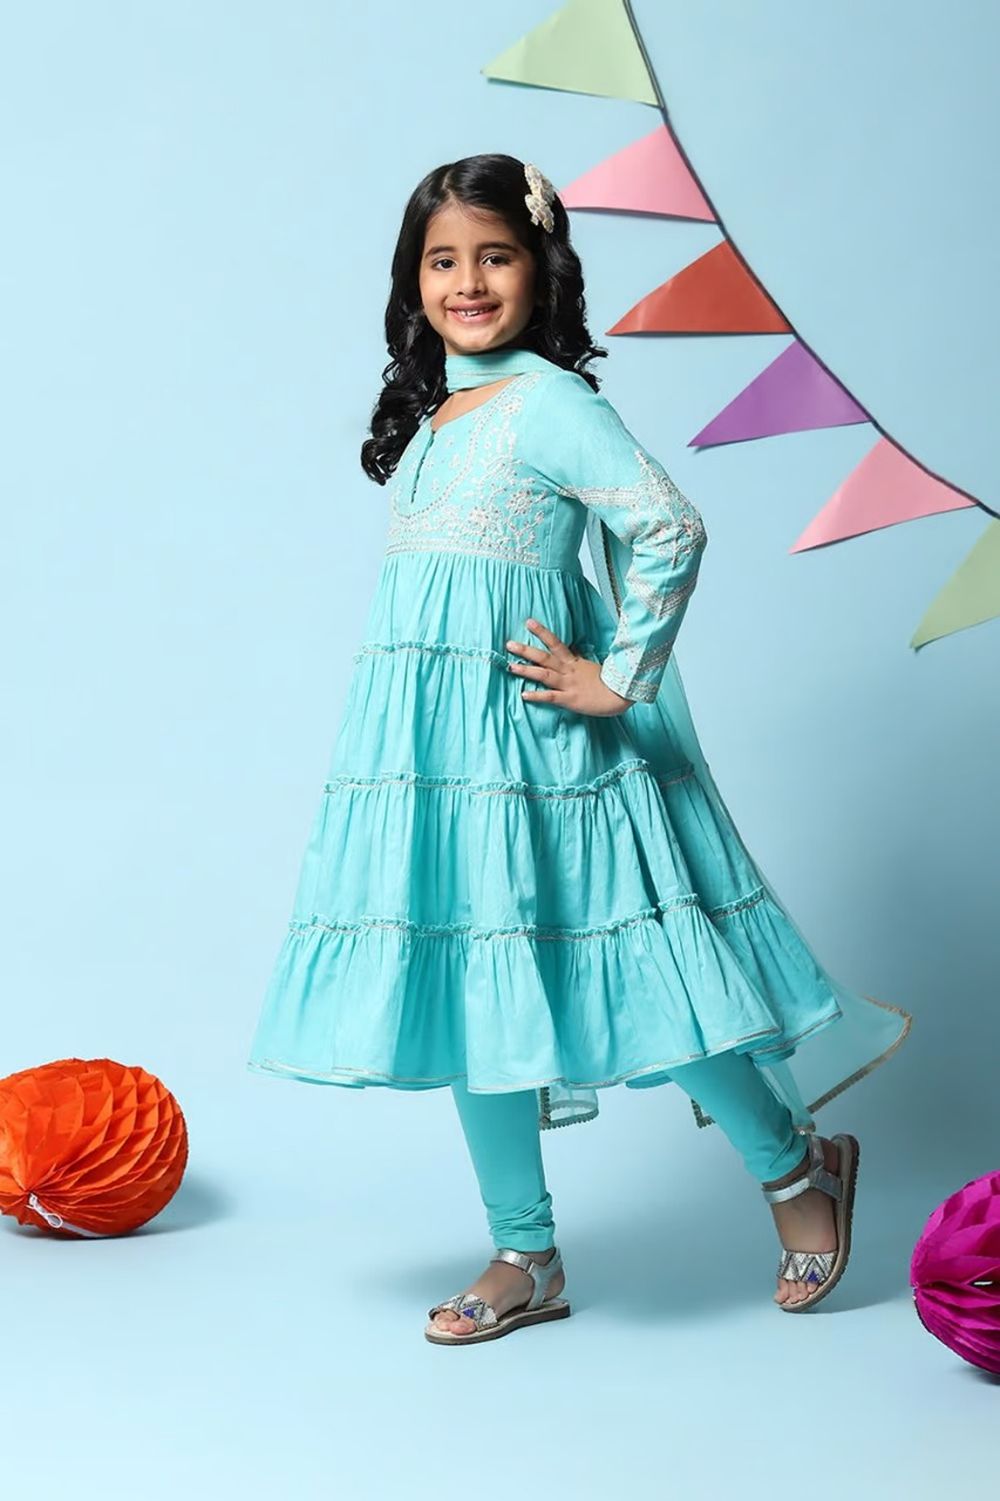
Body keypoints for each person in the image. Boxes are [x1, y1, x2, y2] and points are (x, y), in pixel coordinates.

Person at [246, 153, 911, 1346]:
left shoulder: (550, 402)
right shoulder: (434, 420)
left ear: (538, 269)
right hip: (439, 763)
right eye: (441, 261)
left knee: (653, 980)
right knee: (473, 989)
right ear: (411, 280)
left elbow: (668, 526)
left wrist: (619, 678)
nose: (467, 282)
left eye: (494, 256)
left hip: (547, 753)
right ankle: (526, 1251)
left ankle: (796, 1166)